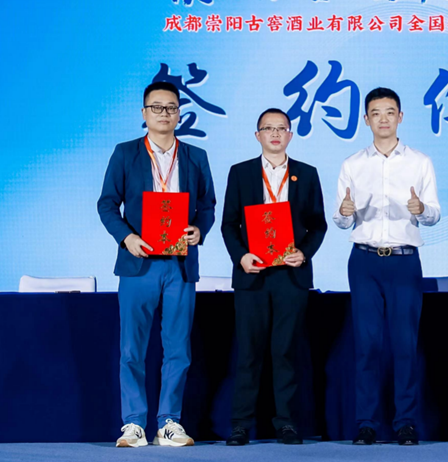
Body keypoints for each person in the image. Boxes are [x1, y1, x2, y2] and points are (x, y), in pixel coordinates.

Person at [98, 81, 216, 448]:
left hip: (180, 264)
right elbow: (107, 203)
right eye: (157, 107)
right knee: (132, 349)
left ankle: (169, 422)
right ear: (144, 113)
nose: (164, 113)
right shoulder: (125, 153)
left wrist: (200, 229)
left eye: (171, 107)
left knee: (178, 348)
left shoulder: (196, 156)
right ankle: (133, 423)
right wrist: (126, 237)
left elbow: (208, 204)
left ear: (179, 113)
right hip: (139, 263)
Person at [333, 87, 440, 446]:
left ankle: (405, 422)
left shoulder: (420, 162)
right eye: (376, 113)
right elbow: (341, 219)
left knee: (405, 345)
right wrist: (345, 213)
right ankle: (366, 423)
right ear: (366, 119)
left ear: (400, 117)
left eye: (390, 112)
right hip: (364, 261)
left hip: (404, 262)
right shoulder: (352, 164)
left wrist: (421, 210)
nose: (383, 119)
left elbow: (434, 214)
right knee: (367, 345)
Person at [221, 108, 327, 446]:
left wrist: (304, 253)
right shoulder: (241, 173)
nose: (275, 134)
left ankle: (287, 423)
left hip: (290, 276)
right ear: (258, 136)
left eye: (281, 128)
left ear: (290, 135)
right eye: (268, 128)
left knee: (285, 352)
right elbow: (228, 224)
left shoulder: (306, 174)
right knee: (249, 353)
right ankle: (241, 424)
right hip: (252, 274)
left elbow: (318, 225)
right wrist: (241, 256)